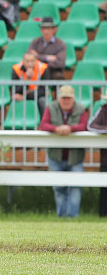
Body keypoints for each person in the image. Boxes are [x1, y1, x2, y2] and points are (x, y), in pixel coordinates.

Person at [39, 85, 88, 218]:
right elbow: (43, 125)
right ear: (59, 98)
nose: (66, 101)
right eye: (63, 98)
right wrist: (56, 129)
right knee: (58, 187)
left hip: (75, 156)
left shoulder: (81, 109)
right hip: (56, 155)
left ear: (73, 99)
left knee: (76, 186)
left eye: (68, 98)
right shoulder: (51, 107)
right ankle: (62, 216)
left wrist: (70, 129)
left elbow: (85, 126)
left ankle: (72, 217)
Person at [86, 103, 107, 217]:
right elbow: (91, 126)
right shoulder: (103, 110)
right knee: (104, 188)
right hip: (105, 159)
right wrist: (105, 129)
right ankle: (103, 215)